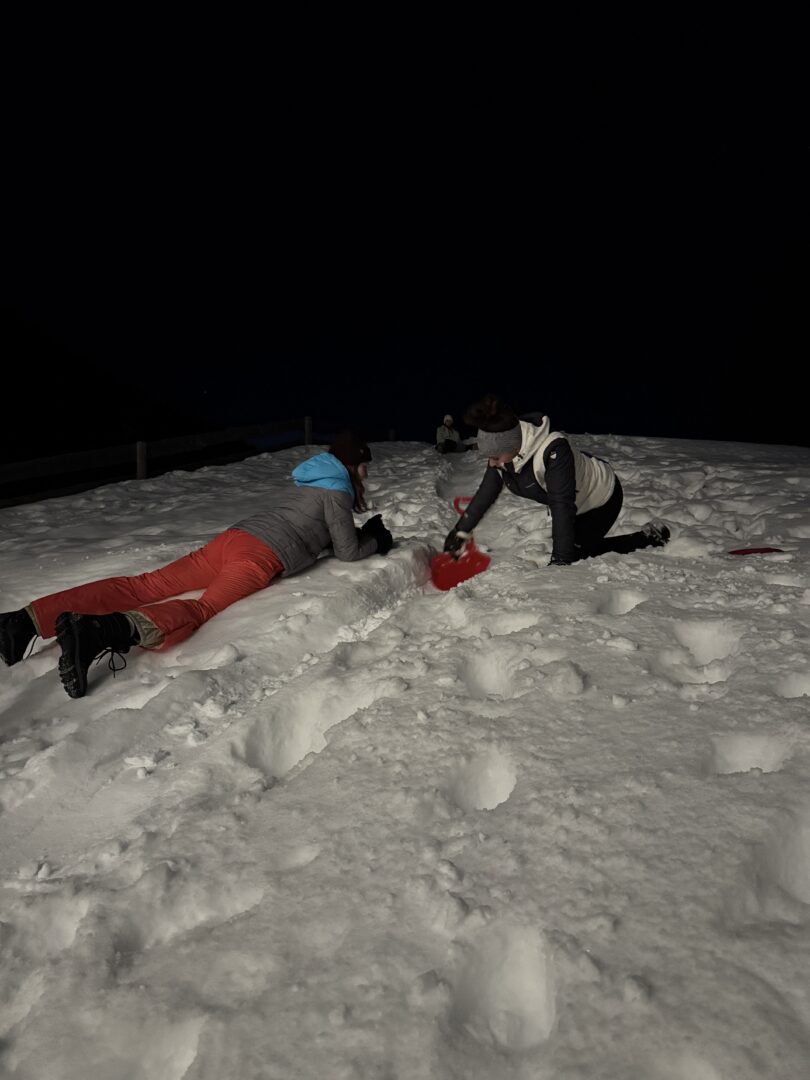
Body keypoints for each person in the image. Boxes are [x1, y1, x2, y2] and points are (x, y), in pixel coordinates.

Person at [0, 431, 394, 698]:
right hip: (261, 556)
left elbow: (313, 529)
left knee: (143, 585)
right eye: (364, 465)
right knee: (202, 608)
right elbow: (347, 551)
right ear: (351, 465)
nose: (366, 472)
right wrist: (375, 539)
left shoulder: (312, 483)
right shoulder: (338, 493)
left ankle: (23, 622)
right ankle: (100, 631)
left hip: (234, 539)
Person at [443, 395, 670, 566]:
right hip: (574, 500)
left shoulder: (553, 450)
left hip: (602, 496)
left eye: (494, 457)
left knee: (576, 553)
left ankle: (648, 538)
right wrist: (460, 531)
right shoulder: (503, 456)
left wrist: (560, 562)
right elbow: (486, 494)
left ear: (513, 447)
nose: (491, 464)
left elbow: (562, 505)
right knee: (574, 545)